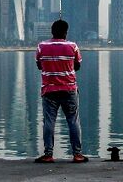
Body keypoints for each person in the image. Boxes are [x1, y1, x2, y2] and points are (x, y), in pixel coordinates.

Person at [34, 19, 88, 163]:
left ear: (52, 31)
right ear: (66, 32)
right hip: (69, 89)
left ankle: (48, 154)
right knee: (73, 121)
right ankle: (77, 154)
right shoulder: (73, 46)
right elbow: (77, 66)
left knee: (49, 122)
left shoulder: (41, 46)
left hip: (49, 90)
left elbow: (39, 65)